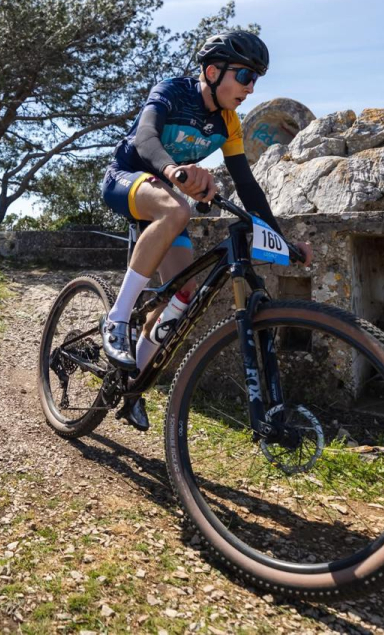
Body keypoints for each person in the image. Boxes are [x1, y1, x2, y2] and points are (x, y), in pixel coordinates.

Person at [98, 30, 312, 430]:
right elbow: (144, 137)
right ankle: (117, 317)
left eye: (256, 80)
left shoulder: (230, 122)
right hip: (127, 178)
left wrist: (282, 240)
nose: (250, 88)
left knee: (183, 294)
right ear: (213, 71)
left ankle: (130, 384)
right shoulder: (173, 92)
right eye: (245, 76)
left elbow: (247, 185)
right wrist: (172, 170)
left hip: (167, 200)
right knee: (176, 208)